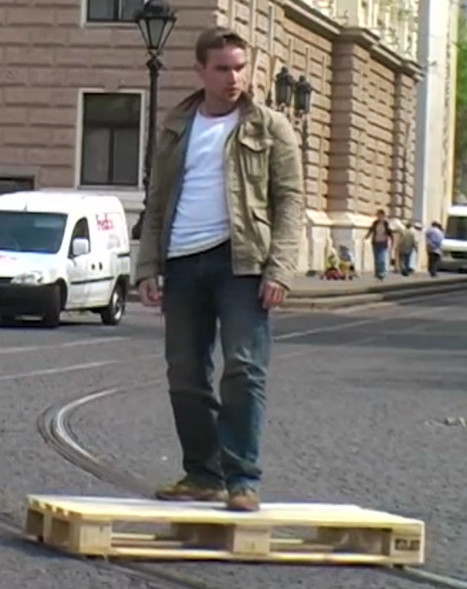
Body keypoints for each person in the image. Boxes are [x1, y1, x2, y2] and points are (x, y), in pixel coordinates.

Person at [134, 26, 304, 512]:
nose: (234, 78)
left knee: (244, 369)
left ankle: (243, 478)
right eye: (223, 68)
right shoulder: (177, 125)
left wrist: (281, 269)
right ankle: (202, 473)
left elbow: (290, 202)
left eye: (240, 67)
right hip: (183, 262)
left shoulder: (270, 128)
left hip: (243, 264)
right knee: (185, 373)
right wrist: (148, 266)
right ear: (201, 71)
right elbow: (158, 200)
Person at [364, 210, 392, 280]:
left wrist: (391, 238)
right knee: (376, 258)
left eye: (380, 215)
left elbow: (389, 231)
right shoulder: (375, 223)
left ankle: (382, 272)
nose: (379, 217)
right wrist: (367, 236)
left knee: (381, 258)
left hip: (383, 242)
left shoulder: (386, 223)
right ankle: (377, 272)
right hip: (375, 242)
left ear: (383, 216)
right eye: (378, 215)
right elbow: (371, 229)